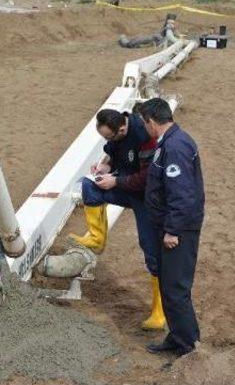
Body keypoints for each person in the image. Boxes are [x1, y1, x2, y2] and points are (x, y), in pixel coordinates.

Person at [69, 107, 166, 330]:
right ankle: (96, 238)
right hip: (127, 187)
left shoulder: (144, 136)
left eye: (108, 137)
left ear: (122, 128)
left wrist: (115, 182)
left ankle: (160, 312)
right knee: (89, 186)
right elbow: (114, 154)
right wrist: (106, 165)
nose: (107, 140)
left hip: (147, 198)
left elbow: (146, 178)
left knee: (151, 250)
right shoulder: (117, 132)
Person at [140, 97, 205, 356]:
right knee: (171, 287)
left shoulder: (175, 147)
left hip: (178, 230)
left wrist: (172, 231)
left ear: (151, 122)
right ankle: (179, 337)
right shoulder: (172, 142)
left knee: (176, 289)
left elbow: (182, 195)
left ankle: (188, 346)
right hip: (171, 225)